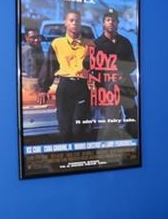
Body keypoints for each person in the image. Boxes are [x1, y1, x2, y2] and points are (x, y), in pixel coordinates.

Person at [39, 9, 91, 142]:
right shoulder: (57, 43)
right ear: (65, 23)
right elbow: (49, 66)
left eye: (77, 21)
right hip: (65, 87)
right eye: (71, 20)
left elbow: (97, 68)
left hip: (83, 88)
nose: (75, 23)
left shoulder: (90, 45)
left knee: (79, 128)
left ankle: (79, 157)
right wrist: (43, 89)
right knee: (65, 127)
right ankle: (66, 155)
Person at [89, 8, 138, 137]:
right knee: (111, 122)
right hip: (108, 89)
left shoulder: (125, 42)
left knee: (133, 119)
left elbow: (132, 64)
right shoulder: (96, 44)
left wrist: (122, 73)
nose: (111, 23)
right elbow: (92, 67)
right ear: (103, 23)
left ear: (118, 23)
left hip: (125, 87)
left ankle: (132, 147)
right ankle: (112, 148)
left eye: (114, 20)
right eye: (108, 20)